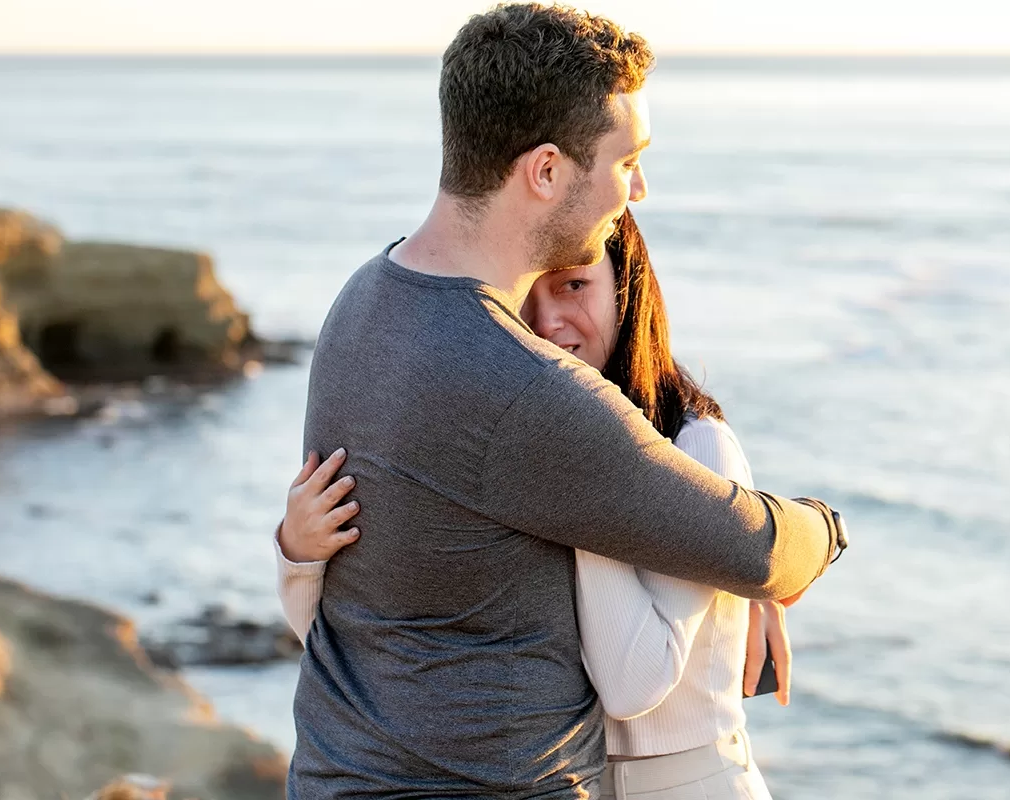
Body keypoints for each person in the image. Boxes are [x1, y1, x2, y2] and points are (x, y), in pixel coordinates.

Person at [288, 4, 847, 798]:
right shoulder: (522, 389)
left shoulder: (364, 301)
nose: (639, 188)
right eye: (627, 160)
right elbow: (754, 547)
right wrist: (825, 531)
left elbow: (344, 595)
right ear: (546, 171)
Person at [278, 209, 799, 800]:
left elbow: (632, 687)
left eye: (575, 285)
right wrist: (298, 553)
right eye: (530, 292)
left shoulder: (695, 441)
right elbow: (347, 643)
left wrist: (574, 479)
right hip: (578, 782)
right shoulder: (519, 452)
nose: (548, 322)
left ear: (627, 292)